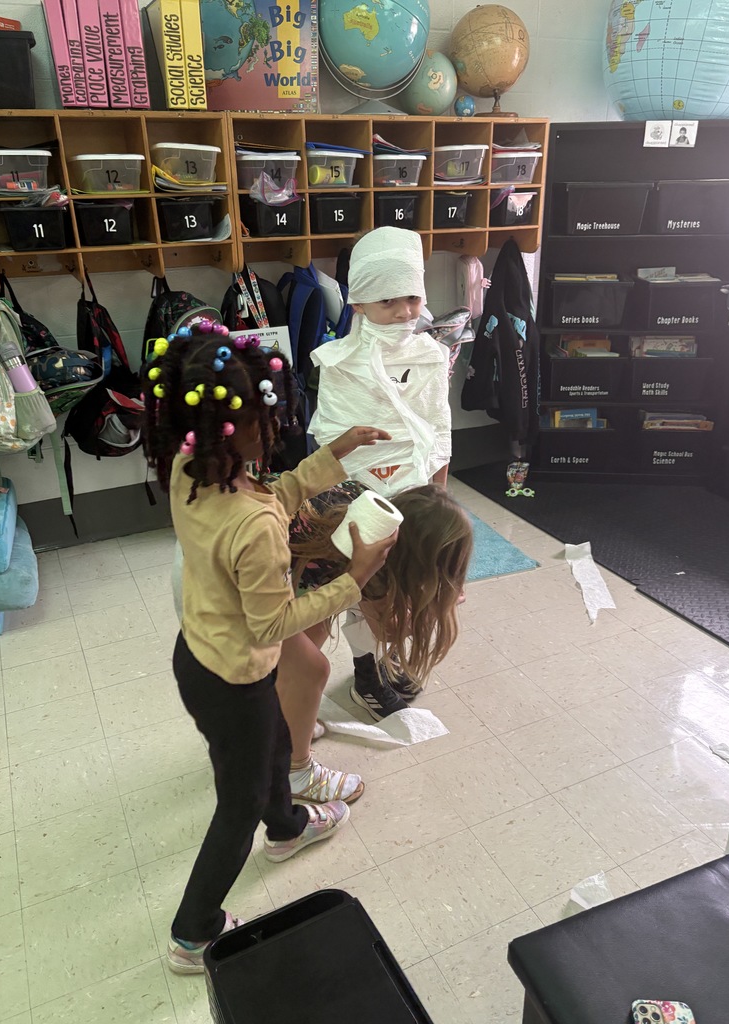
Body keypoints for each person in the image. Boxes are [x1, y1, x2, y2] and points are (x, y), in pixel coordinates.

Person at [141, 322, 395, 973]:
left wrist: (333, 454)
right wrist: (356, 577)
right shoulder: (253, 525)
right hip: (233, 677)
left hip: (197, 654)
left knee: (275, 742)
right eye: (266, 415)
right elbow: (272, 624)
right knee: (240, 802)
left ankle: (287, 830)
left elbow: (273, 496)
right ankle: (193, 932)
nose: (274, 426)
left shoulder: (190, 469)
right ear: (243, 428)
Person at [308, 227, 453, 717]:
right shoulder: (338, 364)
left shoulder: (430, 355)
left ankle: (388, 657)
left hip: (414, 493)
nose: (405, 312)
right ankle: (366, 671)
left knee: (406, 588)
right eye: (388, 301)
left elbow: (436, 427)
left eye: (413, 298)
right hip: (358, 498)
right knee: (364, 587)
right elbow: (333, 442)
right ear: (360, 304)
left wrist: (438, 492)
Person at [277, 481, 473, 800]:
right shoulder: (377, 562)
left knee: (310, 643)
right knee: (310, 670)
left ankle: (285, 725)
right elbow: (389, 631)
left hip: (260, 562)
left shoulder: (369, 505)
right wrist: (442, 605)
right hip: (238, 586)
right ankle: (297, 773)